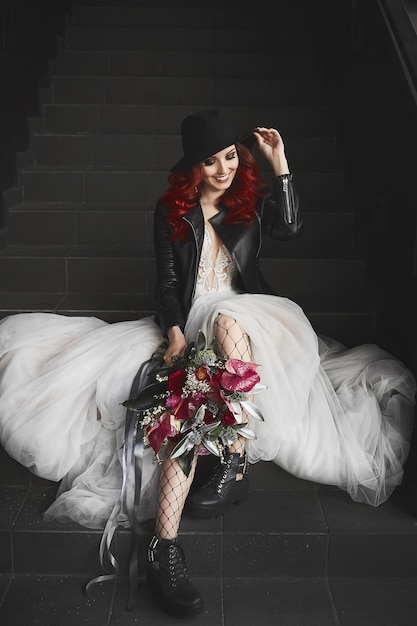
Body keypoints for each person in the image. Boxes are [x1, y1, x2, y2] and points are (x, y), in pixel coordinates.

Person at [0, 109, 415, 618]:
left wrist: (280, 168)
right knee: (187, 389)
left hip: (254, 318)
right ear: (192, 167)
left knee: (227, 325)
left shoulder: (249, 201)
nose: (224, 170)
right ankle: (165, 546)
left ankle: (234, 456)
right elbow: (168, 286)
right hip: (192, 319)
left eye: (231, 157)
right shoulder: (171, 211)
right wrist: (175, 333)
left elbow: (291, 230)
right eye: (212, 161)